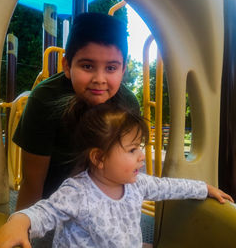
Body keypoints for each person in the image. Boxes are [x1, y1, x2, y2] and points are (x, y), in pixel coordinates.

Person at [0, 102, 233, 248]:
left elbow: (169, 187)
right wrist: (18, 223)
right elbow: (44, 212)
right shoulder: (77, 192)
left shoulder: (136, 184)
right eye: (133, 149)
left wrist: (204, 188)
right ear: (99, 158)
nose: (142, 156)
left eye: (141, 148)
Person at [12, 12, 140, 211]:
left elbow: (127, 176)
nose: (99, 79)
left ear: (123, 69)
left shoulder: (127, 104)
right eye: (87, 66)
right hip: (53, 207)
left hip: (104, 206)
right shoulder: (45, 100)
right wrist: (21, 230)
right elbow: (32, 183)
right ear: (67, 66)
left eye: (111, 68)